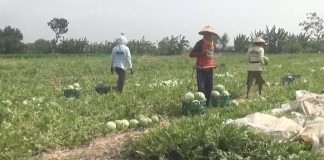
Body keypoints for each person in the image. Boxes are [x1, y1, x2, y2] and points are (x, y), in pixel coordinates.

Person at [190, 26, 217, 106]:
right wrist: (201, 53)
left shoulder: (213, 44)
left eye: (211, 34)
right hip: (201, 69)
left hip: (210, 69)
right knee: (201, 89)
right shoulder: (200, 43)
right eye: (209, 34)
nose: (211, 36)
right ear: (204, 35)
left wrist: (213, 64)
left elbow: (210, 57)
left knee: (210, 88)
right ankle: (201, 105)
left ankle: (208, 105)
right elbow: (191, 54)